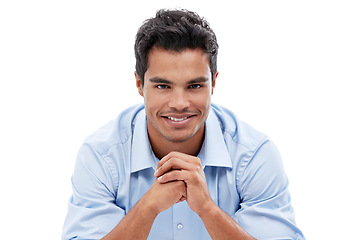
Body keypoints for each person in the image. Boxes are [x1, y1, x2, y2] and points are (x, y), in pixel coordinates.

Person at [62, 9, 304, 240]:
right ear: (139, 84)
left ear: (214, 83)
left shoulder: (254, 155)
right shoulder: (101, 156)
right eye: (163, 86)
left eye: (195, 86)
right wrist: (148, 207)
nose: (179, 104)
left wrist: (208, 210)